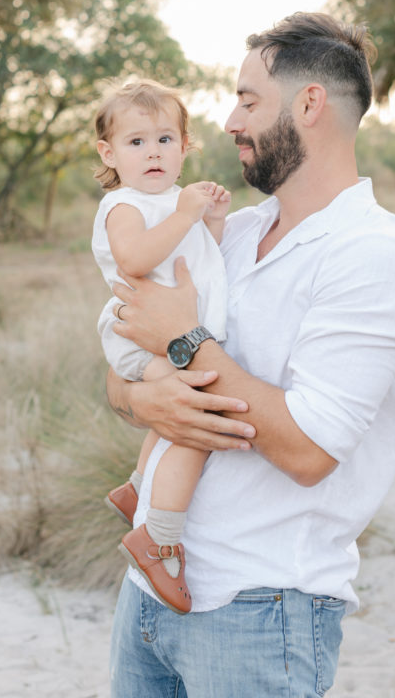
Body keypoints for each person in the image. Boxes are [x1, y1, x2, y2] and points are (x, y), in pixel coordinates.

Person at [103, 12, 395, 698]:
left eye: (248, 99)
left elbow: (310, 450)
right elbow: (122, 374)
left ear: (309, 104)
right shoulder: (228, 230)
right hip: (147, 593)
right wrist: (142, 398)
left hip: (260, 612)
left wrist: (187, 342)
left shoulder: (373, 256)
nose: (228, 120)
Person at [91, 78, 231, 614]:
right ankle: (159, 537)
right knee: (195, 420)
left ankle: (136, 488)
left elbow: (198, 265)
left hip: (174, 333)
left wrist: (209, 222)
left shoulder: (178, 203)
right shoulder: (122, 205)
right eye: (136, 142)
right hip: (136, 333)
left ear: (185, 146)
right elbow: (134, 260)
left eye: (165, 140)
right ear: (110, 153)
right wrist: (185, 216)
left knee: (181, 413)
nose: (153, 152)